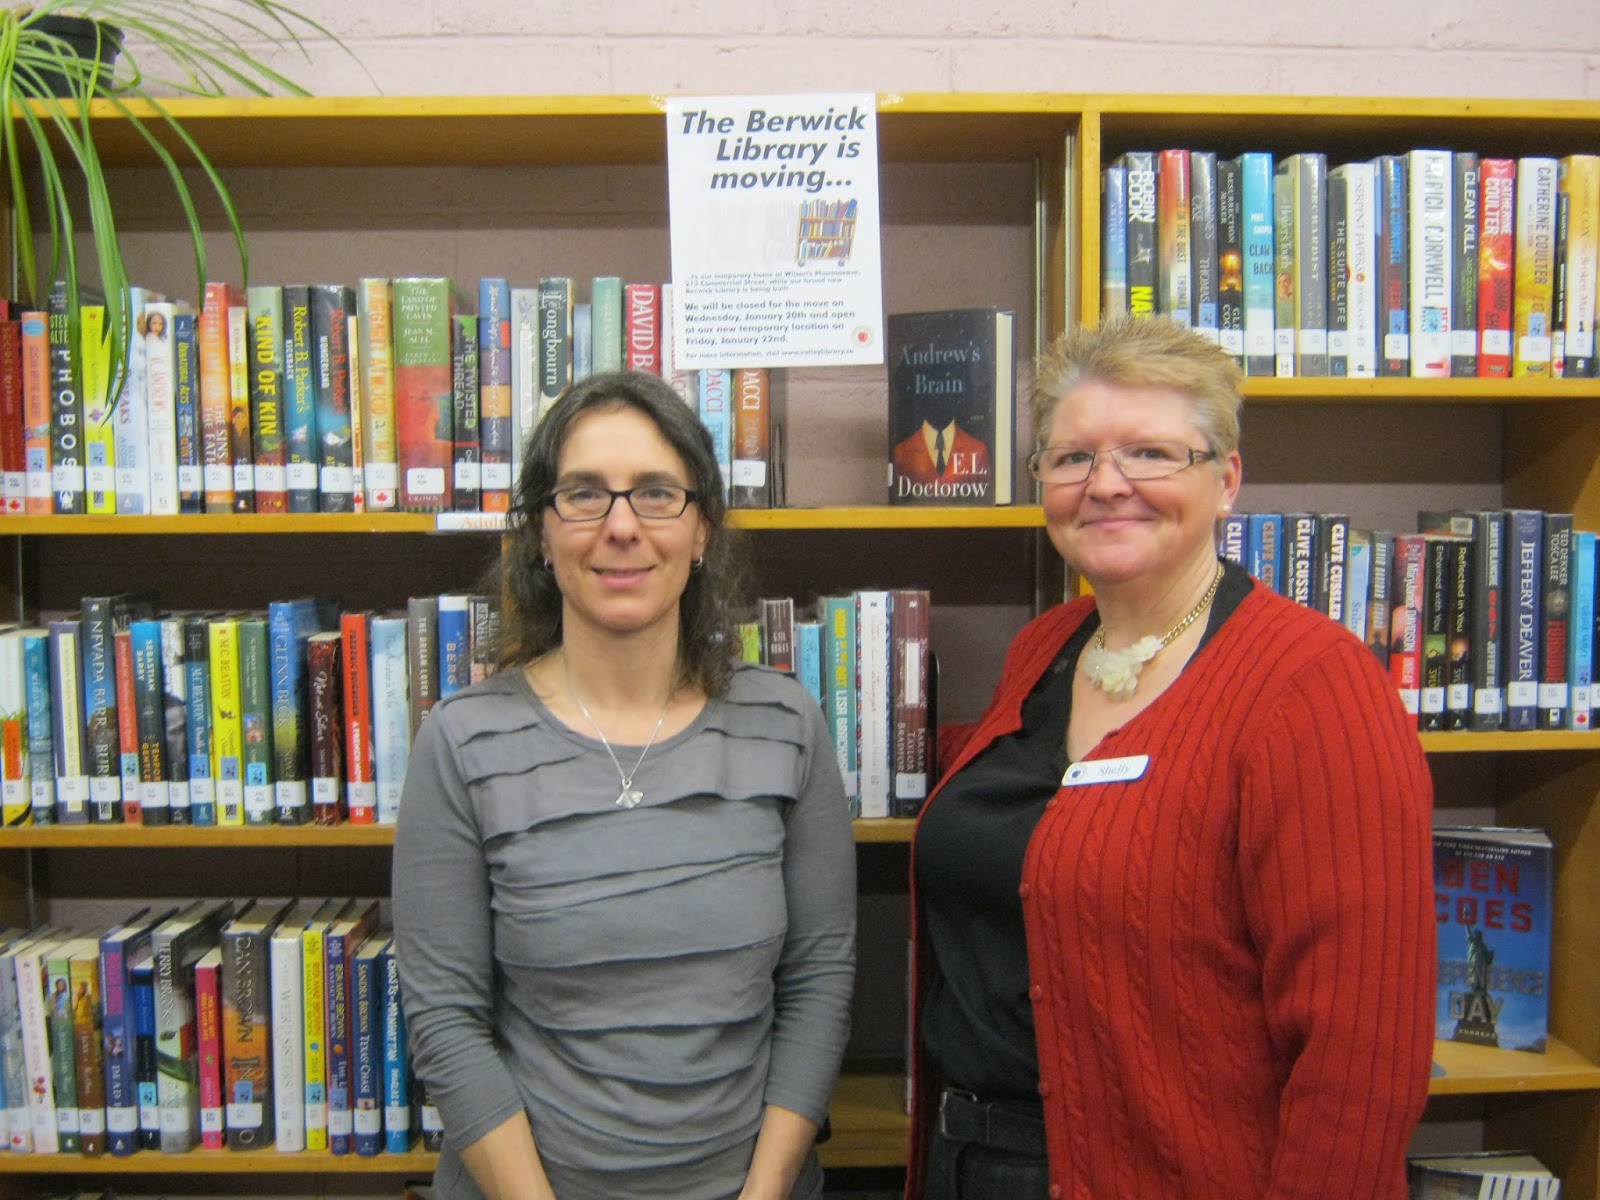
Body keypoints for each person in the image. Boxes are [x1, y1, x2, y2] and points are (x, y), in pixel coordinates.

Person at [904, 315, 1435, 1200]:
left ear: (1226, 480)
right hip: (970, 1164)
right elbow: (1054, 826)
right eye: (1072, 458)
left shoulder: (1313, 687)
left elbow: (1362, 1058)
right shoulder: (1046, 649)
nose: (1106, 485)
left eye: (1150, 453)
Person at [393, 370, 856, 1200]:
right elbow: (444, 1022)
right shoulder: (461, 741)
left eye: (654, 494)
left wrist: (765, 1192)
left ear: (703, 528)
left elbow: (819, 983)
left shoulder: (786, 726)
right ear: (541, 531)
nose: (620, 528)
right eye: (583, 495)